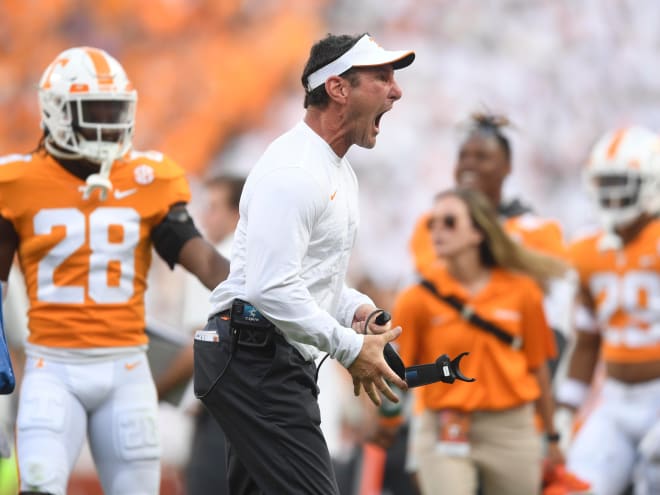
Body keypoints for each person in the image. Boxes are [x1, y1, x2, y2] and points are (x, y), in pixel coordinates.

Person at [0, 46, 230, 495]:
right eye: (94, 111)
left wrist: (253, 287)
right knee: (39, 488)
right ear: (57, 112)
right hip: (53, 367)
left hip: (126, 369)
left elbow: (204, 260)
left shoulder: (149, 178)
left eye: (115, 110)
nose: (108, 123)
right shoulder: (17, 182)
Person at [193, 32, 414, 494]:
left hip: (265, 355)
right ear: (338, 88)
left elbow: (306, 278)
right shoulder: (295, 171)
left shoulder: (334, 168)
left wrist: (356, 309)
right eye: (382, 77)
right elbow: (270, 289)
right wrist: (350, 349)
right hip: (255, 356)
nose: (396, 90)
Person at [393, 187, 566, 495]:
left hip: (511, 428)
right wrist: (398, 422)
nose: (437, 231)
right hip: (445, 425)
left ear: (478, 232)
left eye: (449, 222)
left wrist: (551, 437)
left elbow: (538, 368)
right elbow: (402, 373)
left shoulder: (522, 291)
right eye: (432, 223)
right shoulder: (415, 299)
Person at [556, 125, 660, 495]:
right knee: (580, 485)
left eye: (622, 183)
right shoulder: (587, 249)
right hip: (615, 400)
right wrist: (566, 411)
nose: (612, 195)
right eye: (606, 183)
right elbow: (586, 341)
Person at [155, 174, 245, 495]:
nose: (205, 218)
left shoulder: (213, 258)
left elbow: (204, 344)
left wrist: (154, 387)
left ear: (238, 213)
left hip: (220, 417)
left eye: (214, 208)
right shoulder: (267, 258)